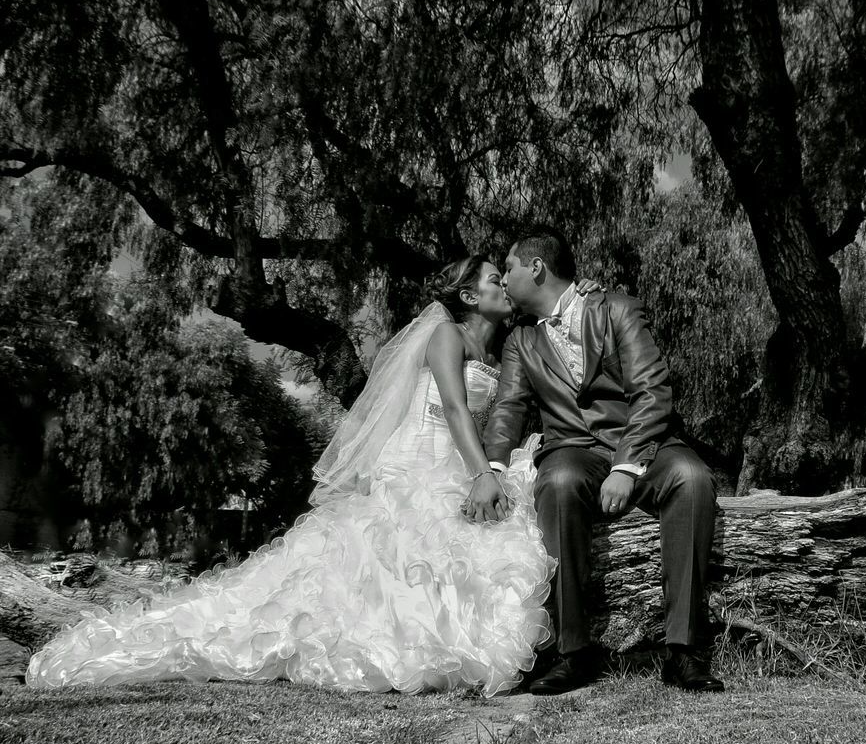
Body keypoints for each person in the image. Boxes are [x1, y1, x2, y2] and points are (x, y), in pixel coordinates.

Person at [26, 256, 572, 697]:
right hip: (418, 460)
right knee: (386, 555)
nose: (506, 286)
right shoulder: (448, 335)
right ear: (470, 296)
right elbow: (455, 409)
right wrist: (482, 472)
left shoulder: (501, 350)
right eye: (495, 279)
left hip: (457, 459)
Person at [485, 226, 724, 694]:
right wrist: (491, 468)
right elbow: (508, 408)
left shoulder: (616, 307)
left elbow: (652, 391)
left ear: (536, 268)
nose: (504, 279)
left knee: (693, 478)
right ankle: (572, 652)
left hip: (646, 446)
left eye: (508, 268)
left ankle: (685, 652)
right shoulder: (520, 342)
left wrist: (625, 465)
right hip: (572, 451)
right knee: (556, 483)